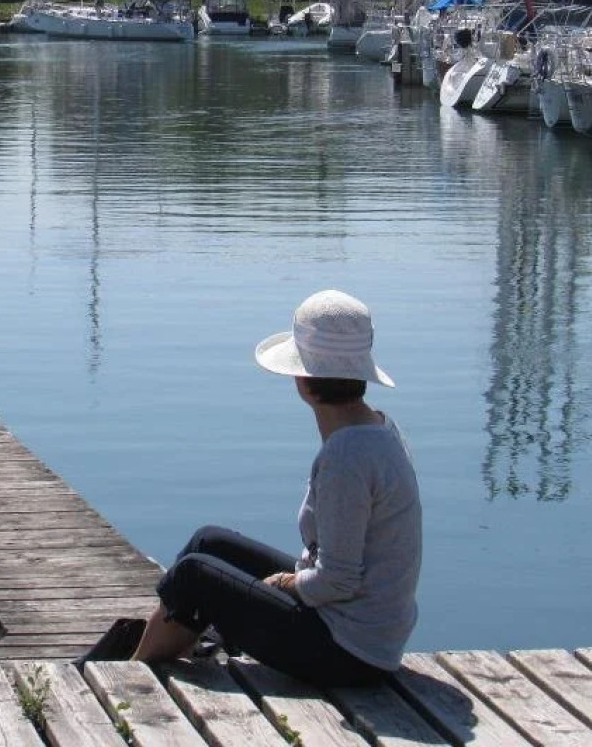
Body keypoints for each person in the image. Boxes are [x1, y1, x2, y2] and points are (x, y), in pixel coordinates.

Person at [84, 290, 421, 684]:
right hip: (360, 629)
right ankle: (167, 647)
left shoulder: (347, 455)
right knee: (209, 543)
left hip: (348, 652)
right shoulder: (378, 427)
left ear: (304, 379)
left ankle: (130, 677)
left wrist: (284, 583)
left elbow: (337, 580)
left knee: (194, 575)